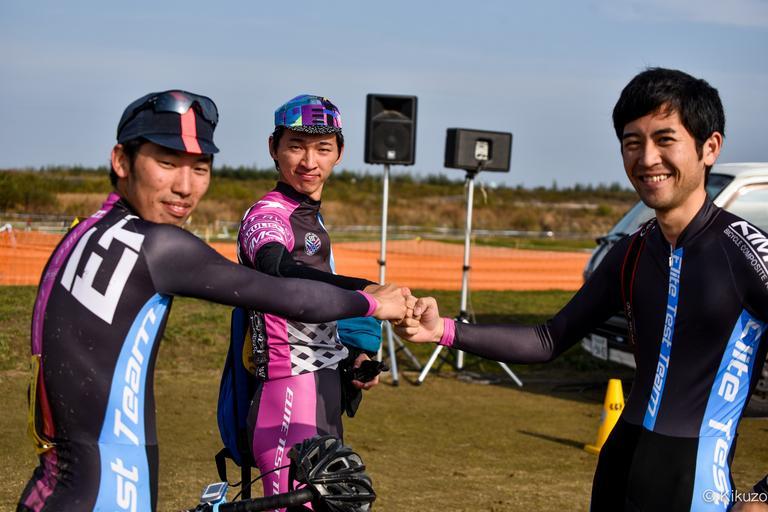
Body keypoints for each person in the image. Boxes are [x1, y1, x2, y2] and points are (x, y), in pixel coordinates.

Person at [18, 90, 408, 512]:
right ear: (121, 161)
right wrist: (372, 299)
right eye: (166, 163)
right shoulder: (160, 246)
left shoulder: (85, 232)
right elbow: (288, 290)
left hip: (55, 487)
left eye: (200, 168)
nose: (184, 187)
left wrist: (351, 347)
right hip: (109, 490)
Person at [396, 68, 768, 511]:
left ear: (710, 147)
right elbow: (548, 339)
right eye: (632, 143)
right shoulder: (633, 250)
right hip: (618, 466)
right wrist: (442, 331)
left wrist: (762, 496)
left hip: (694, 482)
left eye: (665, 139)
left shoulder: (747, 254)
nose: (647, 158)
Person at [236, 94, 387, 504]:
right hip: (288, 391)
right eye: (296, 146)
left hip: (322, 387)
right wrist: (367, 291)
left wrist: (354, 355)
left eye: (322, 148)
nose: (309, 161)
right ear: (274, 147)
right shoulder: (268, 214)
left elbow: (320, 300)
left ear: (340, 153)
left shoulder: (309, 218)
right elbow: (276, 266)